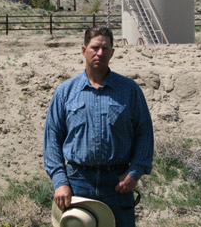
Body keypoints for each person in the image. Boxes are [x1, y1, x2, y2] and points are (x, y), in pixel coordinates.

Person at [44, 26, 154, 227]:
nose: (100, 53)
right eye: (95, 48)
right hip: (77, 182)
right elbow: (52, 138)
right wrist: (60, 182)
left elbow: (144, 133)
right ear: (84, 50)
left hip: (118, 184)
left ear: (112, 52)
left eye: (105, 48)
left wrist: (134, 173)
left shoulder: (129, 90)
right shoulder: (65, 92)